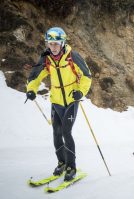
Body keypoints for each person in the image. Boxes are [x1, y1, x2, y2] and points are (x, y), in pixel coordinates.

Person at [26, 27, 92, 181]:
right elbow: (34, 77)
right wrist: (31, 90)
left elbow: (86, 76)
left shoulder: (73, 57)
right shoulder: (46, 58)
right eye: (50, 43)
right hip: (56, 101)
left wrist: (80, 92)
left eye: (56, 43)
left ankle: (71, 166)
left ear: (62, 43)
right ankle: (61, 163)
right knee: (56, 133)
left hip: (71, 100)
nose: (53, 47)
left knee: (66, 132)